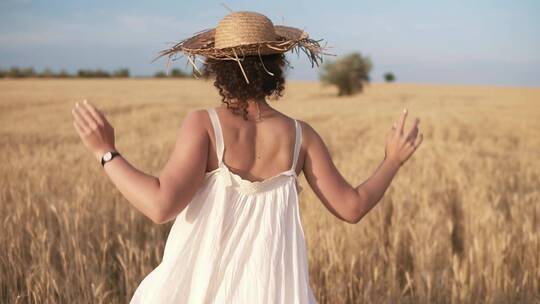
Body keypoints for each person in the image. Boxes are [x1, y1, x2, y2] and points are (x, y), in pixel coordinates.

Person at [71, 11, 422, 304]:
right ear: (275, 66)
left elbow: (161, 206)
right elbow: (352, 207)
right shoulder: (301, 136)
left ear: (217, 67)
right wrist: (392, 159)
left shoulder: (204, 125)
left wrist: (106, 152)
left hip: (198, 291)